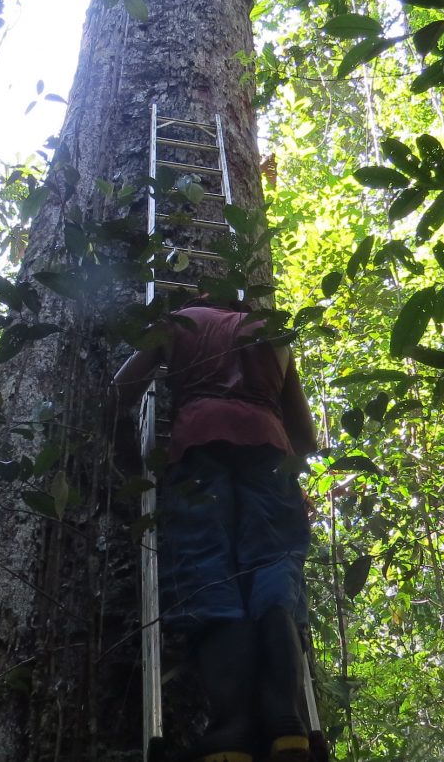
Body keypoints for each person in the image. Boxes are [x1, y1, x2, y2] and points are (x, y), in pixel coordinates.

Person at [113, 294, 317, 762]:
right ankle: (286, 722)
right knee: (273, 569)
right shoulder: (272, 333)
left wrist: (126, 448)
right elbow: (304, 437)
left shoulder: (180, 320)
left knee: (208, 568)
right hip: (269, 450)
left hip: (199, 445)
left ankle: (231, 731)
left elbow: (120, 388)